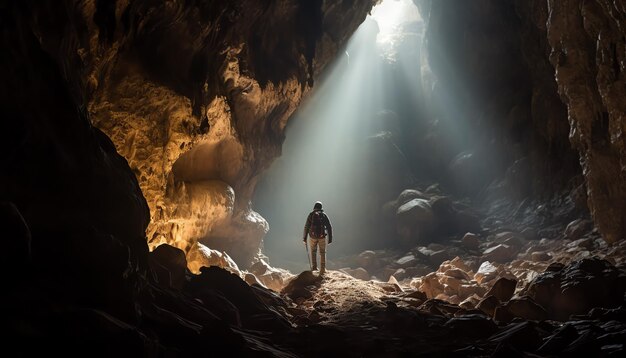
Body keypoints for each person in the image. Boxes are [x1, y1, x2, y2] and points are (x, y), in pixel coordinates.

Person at [302, 201, 333, 274]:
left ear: (314, 207)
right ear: (321, 208)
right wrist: (330, 238)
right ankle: (322, 270)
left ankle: (314, 268)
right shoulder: (324, 215)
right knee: (322, 252)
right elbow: (329, 227)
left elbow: (306, 226)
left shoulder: (311, 215)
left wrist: (304, 238)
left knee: (313, 251)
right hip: (322, 236)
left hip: (312, 237)